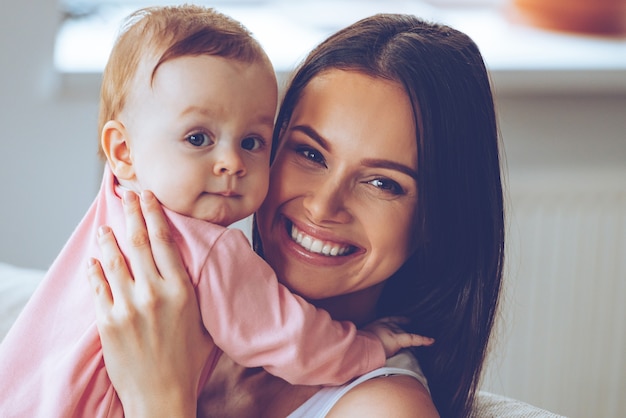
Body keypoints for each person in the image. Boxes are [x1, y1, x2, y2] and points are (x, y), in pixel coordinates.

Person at [0, 6, 433, 418]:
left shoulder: (116, 204)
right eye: (198, 138)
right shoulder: (211, 251)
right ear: (123, 151)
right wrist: (366, 347)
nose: (232, 163)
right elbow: (292, 337)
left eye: (251, 141)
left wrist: (160, 401)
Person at [87, 12, 505, 418]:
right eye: (309, 153)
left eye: (383, 183)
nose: (323, 206)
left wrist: (159, 401)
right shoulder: (166, 316)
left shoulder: (386, 408)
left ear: (436, 221)